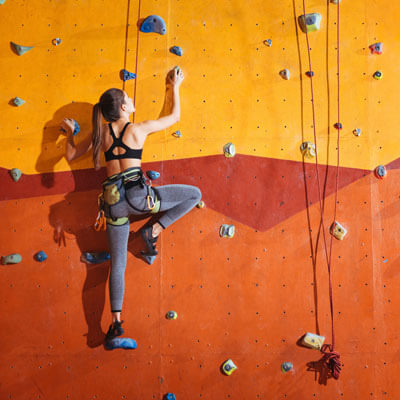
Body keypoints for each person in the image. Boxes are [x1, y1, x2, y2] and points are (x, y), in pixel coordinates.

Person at [61, 67, 202, 343]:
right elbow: (173, 117)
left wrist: (68, 133)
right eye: (129, 98)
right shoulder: (136, 129)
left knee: (118, 265)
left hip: (113, 205)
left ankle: (114, 324)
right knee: (194, 194)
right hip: (139, 198)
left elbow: (71, 154)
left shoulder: (100, 135)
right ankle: (153, 232)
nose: (133, 101)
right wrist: (175, 86)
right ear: (125, 107)